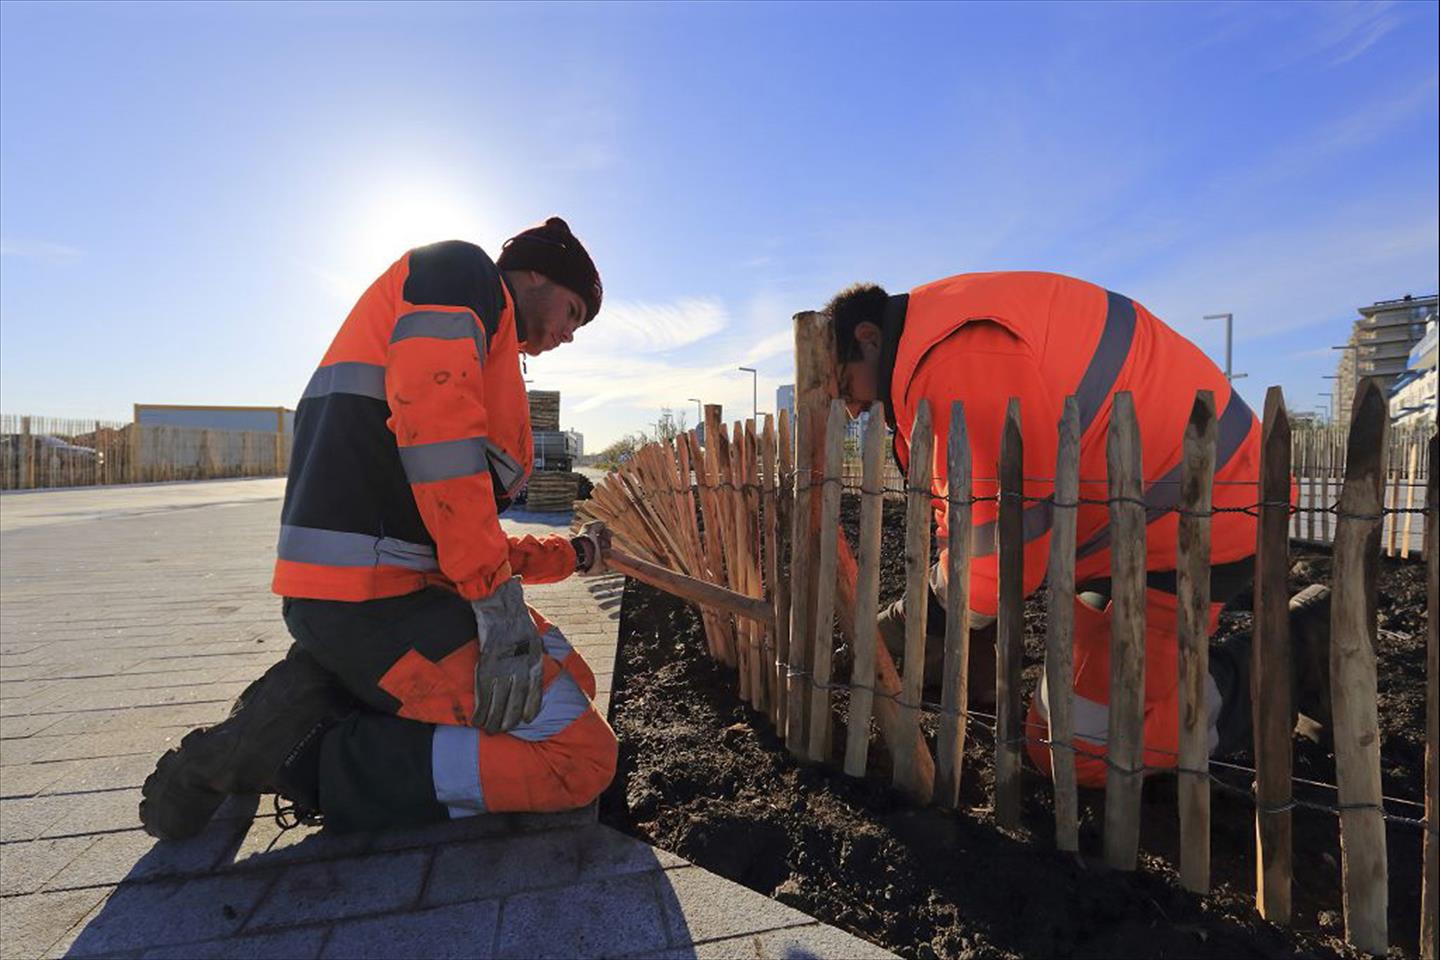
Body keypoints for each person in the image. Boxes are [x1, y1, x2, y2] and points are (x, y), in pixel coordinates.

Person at [140, 217, 619, 838]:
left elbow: (458, 523)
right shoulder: (460, 272)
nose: (569, 334)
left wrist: (574, 555)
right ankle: (306, 755)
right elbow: (440, 444)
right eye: (573, 311)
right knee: (580, 760)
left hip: (399, 587)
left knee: (570, 676)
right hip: (369, 599)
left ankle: (331, 686)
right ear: (534, 273)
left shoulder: (484, 337)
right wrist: (496, 604)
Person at [826, 272, 1329, 788]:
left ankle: (1301, 649)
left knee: (1076, 747)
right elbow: (963, 520)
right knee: (1064, 721)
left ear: (868, 338)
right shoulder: (934, 349)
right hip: (1128, 538)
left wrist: (911, 617)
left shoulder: (955, 362)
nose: (852, 410)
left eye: (845, 387)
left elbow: (998, 566)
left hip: (1194, 527)